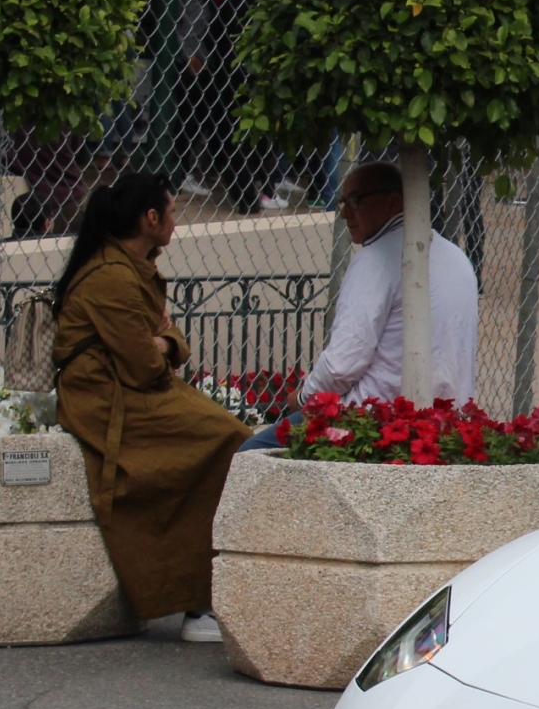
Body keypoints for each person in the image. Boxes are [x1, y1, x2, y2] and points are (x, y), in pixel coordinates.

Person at [51, 171, 252, 641]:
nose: (177, 221)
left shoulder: (129, 267)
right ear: (150, 218)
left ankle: (199, 598)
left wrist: (164, 343)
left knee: (231, 438)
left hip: (133, 390)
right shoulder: (113, 277)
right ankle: (198, 606)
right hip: (109, 401)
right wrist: (163, 345)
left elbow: (167, 339)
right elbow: (145, 363)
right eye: (173, 210)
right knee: (229, 440)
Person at [240, 162, 477, 451]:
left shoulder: (375, 259)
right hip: (447, 421)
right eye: (342, 202)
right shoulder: (456, 257)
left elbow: (342, 364)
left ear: (393, 202)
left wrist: (302, 398)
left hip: (371, 422)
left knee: (246, 456)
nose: (344, 212)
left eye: (355, 201)